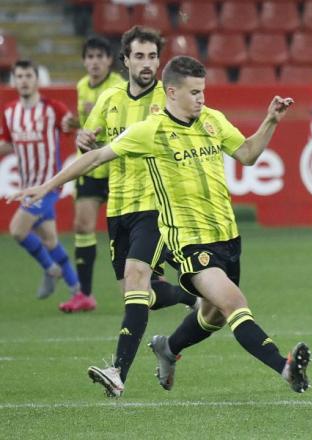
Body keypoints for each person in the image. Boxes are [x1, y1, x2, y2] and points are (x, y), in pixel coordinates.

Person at [12, 55, 311, 396]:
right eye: (195, 92)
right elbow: (95, 156)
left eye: (203, 91)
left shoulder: (212, 120)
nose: (202, 98)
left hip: (228, 238)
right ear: (172, 92)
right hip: (189, 243)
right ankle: (286, 368)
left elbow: (247, 154)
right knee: (235, 304)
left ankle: (167, 348)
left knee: (213, 317)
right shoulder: (151, 132)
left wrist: (270, 121)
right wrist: (47, 186)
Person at [74, 26, 194, 396]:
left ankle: (118, 372)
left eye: (153, 56)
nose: (147, 63)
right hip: (119, 207)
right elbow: (90, 143)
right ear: (125, 60)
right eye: (139, 56)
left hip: (156, 206)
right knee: (137, 291)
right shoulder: (109, 98)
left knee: (138, 276)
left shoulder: (169, 97)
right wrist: (83, 139)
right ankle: (195, 297)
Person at [0, 60, 81, 300]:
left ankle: (50, 269)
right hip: (28, 187)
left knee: (17, 229)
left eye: (28, 76)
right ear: (15, 80)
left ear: (36, 80)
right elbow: (7, 145)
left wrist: (74, 121)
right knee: (50, 240)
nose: (23, 80)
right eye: (19, 76)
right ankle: (78, 291)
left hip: (48, 185)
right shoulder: (9, 112)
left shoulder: (52, 108)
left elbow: (71, 125)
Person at [59, 36, 124, 313]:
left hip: (119, 168)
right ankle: (85, 294)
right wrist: (71, 122)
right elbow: (85, 121)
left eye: (100, 56)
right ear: (84, 61)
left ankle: (152, 277)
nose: (95, 62)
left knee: (130, 229)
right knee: (83, 226)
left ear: (109, 60)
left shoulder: (120, 87)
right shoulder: (82, 86)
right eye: (90, 57)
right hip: (90, 166)